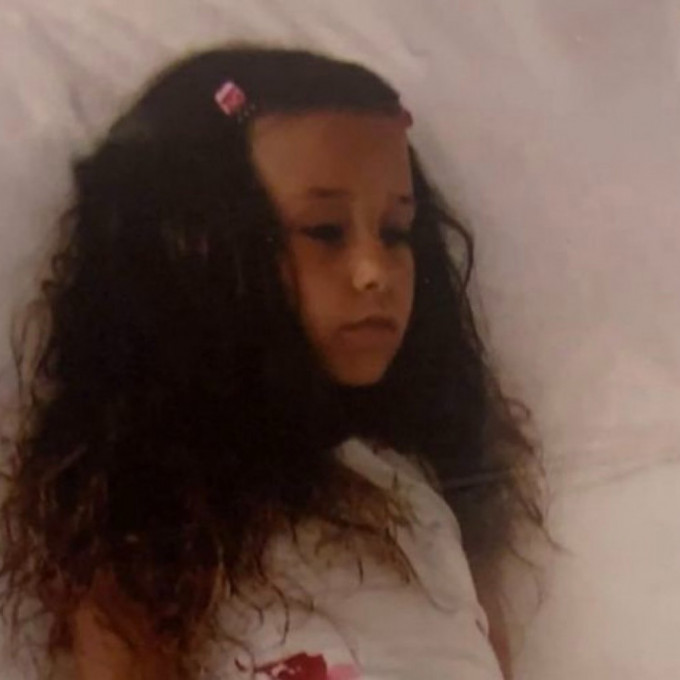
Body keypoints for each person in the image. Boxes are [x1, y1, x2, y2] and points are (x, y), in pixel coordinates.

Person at [0, 46, 547, 680]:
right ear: (197, 253)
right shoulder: (153, 519)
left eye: (397, 232)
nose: (375, 272)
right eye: (325, 231)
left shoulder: (424, 488)